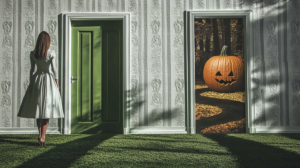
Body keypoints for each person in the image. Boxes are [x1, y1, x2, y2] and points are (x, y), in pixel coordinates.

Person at [17, 31, 64, 146]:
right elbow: (54, 70)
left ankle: (39, 135)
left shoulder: (33, 53)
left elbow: (32, 71)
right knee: (46, 110)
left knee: (39, 110)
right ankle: (43, 137)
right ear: (48, 41)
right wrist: (57, 83)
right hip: (48, 81)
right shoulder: (51, 52)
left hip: (37, 80)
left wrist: (32, 83)